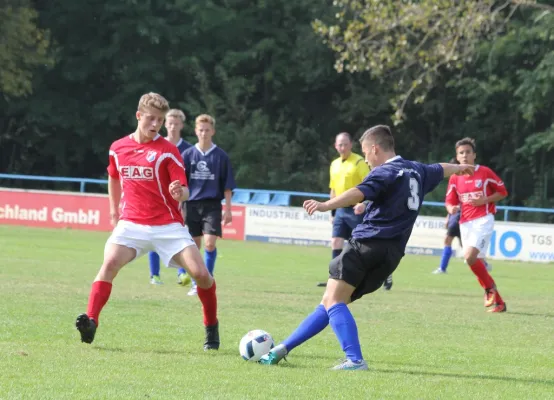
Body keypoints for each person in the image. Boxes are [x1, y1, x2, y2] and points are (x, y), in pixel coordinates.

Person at [259, 125, 474, 370]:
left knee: (333, 301)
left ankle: (354, 359)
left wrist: (325, 205)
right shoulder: (417, 170)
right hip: (391, 256)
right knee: (330, 302)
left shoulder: (385, 172)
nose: (367, 160)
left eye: (365, 153)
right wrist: (458, 168)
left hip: (367, 243)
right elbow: (440, 168)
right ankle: (283, 348)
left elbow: (357, 192)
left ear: (374, 149)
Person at [75, 93, 220, 351]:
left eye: (160, 120)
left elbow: (184, 189)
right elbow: (114, 177)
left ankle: (211, 326)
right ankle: (91, 321)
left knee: (201, 275)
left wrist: (180, 192)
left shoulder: (168, 150)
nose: (155, 124)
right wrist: (113, 210)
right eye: (151, 118)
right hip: (132, 224)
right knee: (108, 264)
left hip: (168, 226)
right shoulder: (117, 148)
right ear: (139, 115)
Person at [445, 137, 507, 312]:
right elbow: (449, 201)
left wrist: (485, 200)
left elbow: (502, 191)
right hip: (465, 223)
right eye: (461, 153)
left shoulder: (485, 172)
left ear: (474, 155)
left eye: (468, 152)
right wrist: (452, 209)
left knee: (470, 257)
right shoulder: (455, 178)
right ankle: (499, 303)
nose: (464, 156)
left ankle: (489, 290)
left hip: (483, 219)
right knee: (475, 263)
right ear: (457, 157)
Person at [179, 114, 236, 296]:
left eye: (207, 130)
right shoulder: (187, 155)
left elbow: (227, 186)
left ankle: (206, 280)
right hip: (191, 204)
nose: (204, 133)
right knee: (194, 246)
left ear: (213, 131)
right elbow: (181, 184)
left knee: (210, 244)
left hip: (212, 205)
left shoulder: (221, 156)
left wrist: (228, 209)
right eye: (200, 130)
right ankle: (194, 280)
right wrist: (178, 206)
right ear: (196, 131)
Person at [317, 132, 370, 288]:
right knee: (336, 241)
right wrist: (332, 212)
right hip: (340, 210)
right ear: (335, 146)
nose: (342, 147)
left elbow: (370, 186)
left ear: (351, 144)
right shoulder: (334, 164)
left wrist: (364, 203)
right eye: (339, 144)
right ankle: (334, 277)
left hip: (356, 210)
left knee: (362, 246)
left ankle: (379, 274)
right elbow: (333, 190)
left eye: (345, 144)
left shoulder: (359, 162)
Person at [148, 108, 193, 286]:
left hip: (181, 200)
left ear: (181, 125)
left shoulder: (188, 150)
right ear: (165, 124)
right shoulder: (155, 145)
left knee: (180, 235)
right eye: (170, 123)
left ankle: (182, 273)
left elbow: (189, 177)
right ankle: (155, 275)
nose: (173, 127)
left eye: (176, 123)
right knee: (152, 234)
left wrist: (183, 197)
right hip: (158, 199)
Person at [433, 159, 493, 275]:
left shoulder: (469, 178)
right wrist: (448, 216)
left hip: (465, 218)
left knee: (464, 248)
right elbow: (451, 202)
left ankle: (482, 264)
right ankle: (442, 268)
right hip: (456, 218)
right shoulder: (455, 181)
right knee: (451, 241)